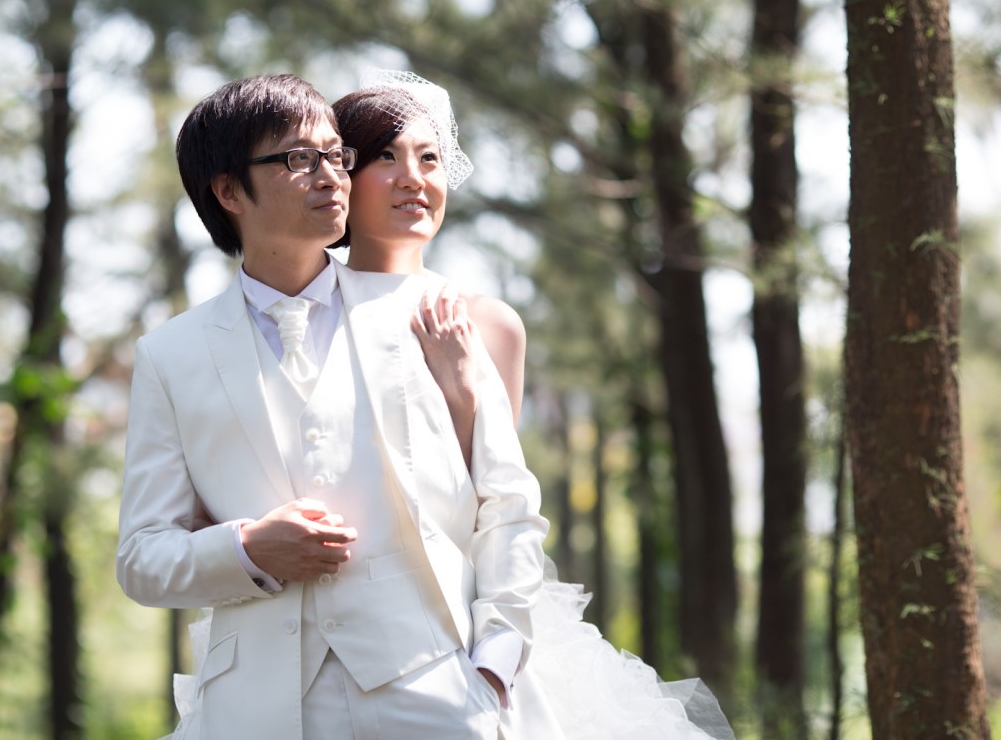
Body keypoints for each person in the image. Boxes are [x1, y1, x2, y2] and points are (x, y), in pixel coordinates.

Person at [116, 73, 549, 740]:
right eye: (299, 158)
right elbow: (142, 558)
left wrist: (494, 661)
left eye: (336, 155)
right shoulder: (170, 354)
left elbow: (508, 501)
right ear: (229, 191)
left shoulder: (429, 315)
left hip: (435, 693)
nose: (331, 176)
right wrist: (248, 549)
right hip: (253, 713)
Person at [328, 69, 738, 740]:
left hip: (464, 614)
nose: (413, 178)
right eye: (386, 158)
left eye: (429, 159)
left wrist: (462, 387)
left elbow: (490, 498)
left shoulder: (489, 323)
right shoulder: (306, 314)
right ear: (341, 176)